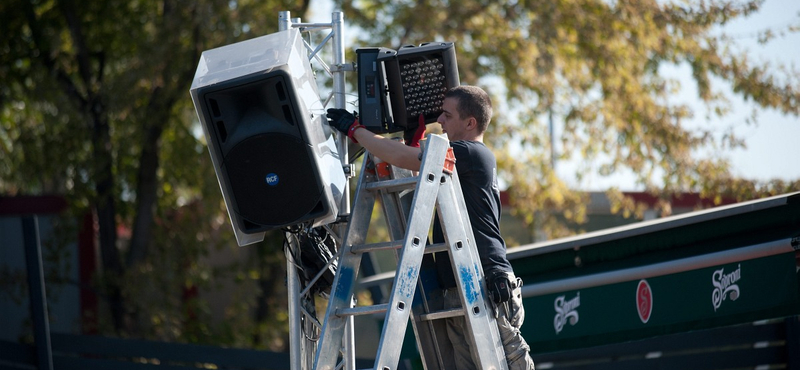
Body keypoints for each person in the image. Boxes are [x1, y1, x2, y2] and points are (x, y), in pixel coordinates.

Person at [326, 85, 535, 370]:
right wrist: (414, 143)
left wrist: (356, 131)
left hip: (484, 282)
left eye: (447, 115)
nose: (441, 121)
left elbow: (401, 159)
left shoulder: (472, 153)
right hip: (459, 284)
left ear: (470, 122)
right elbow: (418, 176)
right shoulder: (457, 157)